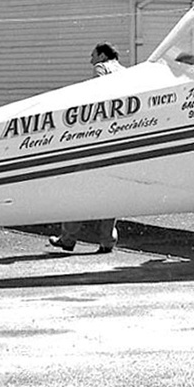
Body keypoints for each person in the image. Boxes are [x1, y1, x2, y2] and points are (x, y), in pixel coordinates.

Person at [48, 43, 125, 254]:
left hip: (97, 139)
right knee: (110, 190)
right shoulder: (125, 72)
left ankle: (68, 238)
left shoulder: (102, 68)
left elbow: (98, 96)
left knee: (77, 188)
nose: (90, 60)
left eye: (92, 55)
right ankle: (108, 240)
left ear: (101, 55)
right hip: (117, 139)